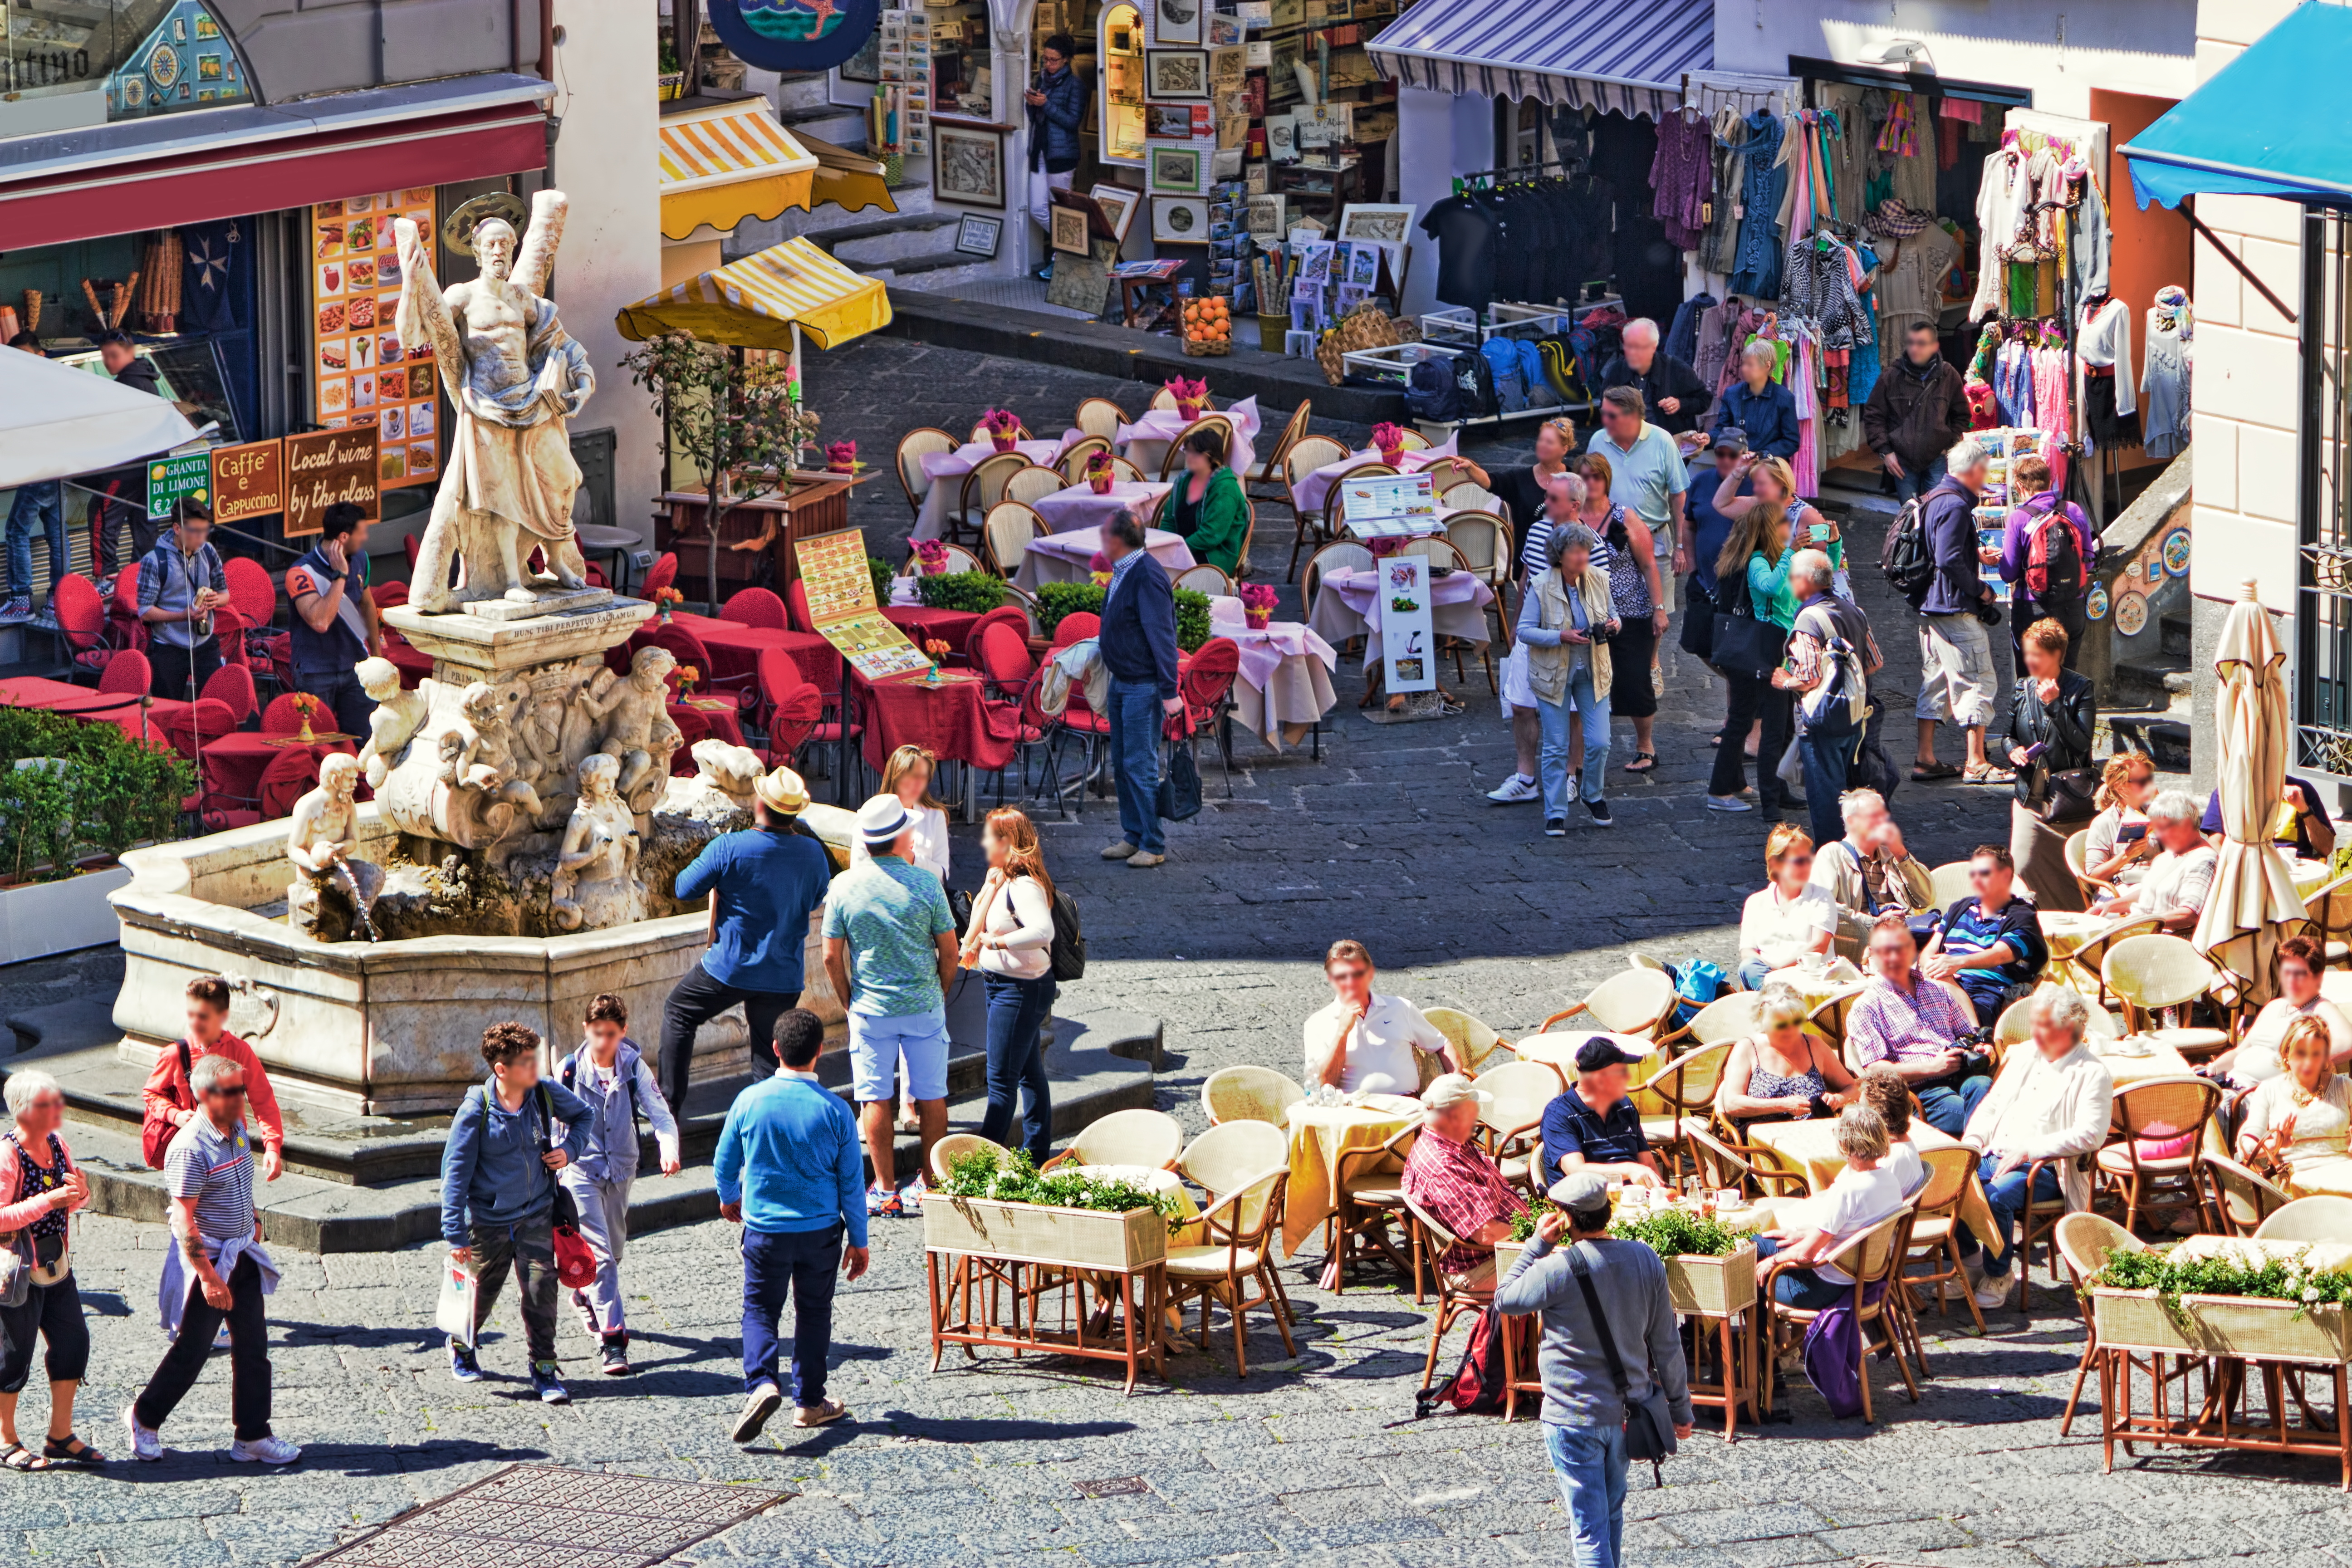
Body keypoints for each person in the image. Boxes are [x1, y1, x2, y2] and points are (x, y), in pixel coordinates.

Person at [1495, 1171, 1693, 1568]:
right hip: (1627, 1415)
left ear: (1565, 1219)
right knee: (1611, 1516)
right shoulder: (1645, 1259)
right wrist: (1681, 1409)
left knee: (1589, 1532)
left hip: (1572, 1417)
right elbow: (1667, 1344)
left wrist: (1537, 1245)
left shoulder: (1556, 1269)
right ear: (1608, 1210)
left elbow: (1505, 1298)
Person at [122, 1054, 299, 1466]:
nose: (242, 1098)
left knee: (254, 1346)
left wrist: (253, 1219)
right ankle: (143, 1418)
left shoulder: (235, 1129)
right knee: (193, 1350)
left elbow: (240, 1184)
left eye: (242, 1089)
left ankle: (253, 1436)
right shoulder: (189, 1148)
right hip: (211, 1261)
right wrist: (208, 1277)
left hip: (242, 1254)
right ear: (204, 1094)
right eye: (232, 1091)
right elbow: (184, 1219)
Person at [716, 1008, 867, 1441]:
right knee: (814, 1312)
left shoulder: (749, 1101)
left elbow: (724, 1163)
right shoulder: (837, 1111)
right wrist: (859, 1240)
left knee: (761, 1309)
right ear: (821, 1051)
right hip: (821, 1233)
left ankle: (762, 1383)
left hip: (765, 1231)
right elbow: (852, 1183)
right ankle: (810, 1402)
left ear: (776, 1049)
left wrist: (730, 1197)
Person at [661, 766, 832, 1112]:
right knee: (770, 1058)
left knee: (678, 1012)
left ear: (760, 805)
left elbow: (683, 888)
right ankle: (768, 1125)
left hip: (729, 968)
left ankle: (668, 1107)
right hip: (783, 973)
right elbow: (815, 899)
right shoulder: (814, 853)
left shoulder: (729, 847)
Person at [438, 1022, 591, 1403]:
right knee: (480, 1293)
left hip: (537, 1212)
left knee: (541, 1289)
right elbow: (454, 1176)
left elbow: (584, 1117)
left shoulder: (543, 1091)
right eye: (527, 1062)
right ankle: (461, 1344)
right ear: (501, 1070)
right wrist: (455, 1235)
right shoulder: (476, 1110)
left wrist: (569, 1151)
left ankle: (544, 1367)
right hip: (488, 1222)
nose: (536, 1067)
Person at [824, 795, 960, 1217]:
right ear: (901, 838)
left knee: (874, 1099)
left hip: (871, 1009)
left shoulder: (843, 886)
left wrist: (849, 1002)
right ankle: (931, 1183)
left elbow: (830, 957)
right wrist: (939, 991)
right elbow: (950, 951)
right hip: (923, 1004)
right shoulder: (926, 884)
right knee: (932, 1097)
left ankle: (885, 1189)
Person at [552, 993, 681, 1377]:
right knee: (602, 1257)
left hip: (621, 1170)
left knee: (614, 1251)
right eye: (596, 1033)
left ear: (623, 1032)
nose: (603, 1041)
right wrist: (557, 1168)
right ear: (585, 1030)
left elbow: (661, 1113)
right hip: (581, 1171)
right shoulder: (569, 1070)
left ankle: (583, 1293)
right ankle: (613, 1341)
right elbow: (553, 1124)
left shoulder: (634, 1067)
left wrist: (669, 1148)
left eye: (610, 1034)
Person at [1960, 988, 2114, 1308]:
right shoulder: (2026, 1054)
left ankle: (1999, 1274)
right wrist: (1972, 1143)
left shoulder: (2092, 1072)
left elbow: (2091, 1134)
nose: (2036, 1034)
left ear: (2072, 1029)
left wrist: (2030, 1150)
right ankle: (1971, 1263)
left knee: (1996, 1196)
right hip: (1996, 1151)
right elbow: (1992, 1105)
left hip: (2047, 1168)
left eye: (2045, 1027)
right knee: (1948, 1182)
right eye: (2034, 1025)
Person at [0, 1070, 97, 1470]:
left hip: (55, 1266)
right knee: (14, 1356)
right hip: (18, 1272)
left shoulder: (57, 1144)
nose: (58, 1108)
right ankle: (5, 1439)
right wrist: (47, 1201)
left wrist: (80, 1193)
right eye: (49, 1103)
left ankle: (60, 1435)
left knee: (74, 1343)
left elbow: (74, 1201)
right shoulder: (8, 1154)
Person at [962, 807, 1061, 1161]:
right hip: (1008, 987)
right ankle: (1036, 1154)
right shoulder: (1001, 879)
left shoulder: (1023, 885)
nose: (983, 842)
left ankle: (982, 1165)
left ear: (1006, 842)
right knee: (1030, 1072)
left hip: (1018, 991)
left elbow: (1043, 931)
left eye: (989, 836)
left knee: (1002, 1081)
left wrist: (997, 942)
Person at [1488, 472, 1590, 806]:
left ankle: (1570, 776)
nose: (1545, 503)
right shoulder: (1535, 531)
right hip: (1532, 633)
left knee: (1571, 711)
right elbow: (1526, 578)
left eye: (1553, 499)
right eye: (1547, 496)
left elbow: (1598, 592)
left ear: (1574, 505)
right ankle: (1526, 779)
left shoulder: (1591, 542)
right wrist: (1517, 622)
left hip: (1570, 638)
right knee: (1521, 705)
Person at [1909, 437, 2006, 785]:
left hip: (1931, 606)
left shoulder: (1934, 497)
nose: (1986, 477)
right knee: (1977, 679)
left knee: (1935, 680)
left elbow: (1940, 548)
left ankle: (1925, 759)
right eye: (1985, 470)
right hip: (1953, 607)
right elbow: (1948, 559)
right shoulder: (1956, 505)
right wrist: (1981, 589)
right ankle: (1976, 762)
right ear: (1974, 469)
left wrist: (1973, 554)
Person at [1845, 913, 1991, 1137]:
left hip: (1962, 1075)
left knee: (1985, 1087)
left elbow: (1967, 1035)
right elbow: (1875, 1071)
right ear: (1873, 954)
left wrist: (1979, 1047)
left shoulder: (1938, 990)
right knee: (1988, 1115)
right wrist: (1932, 1067)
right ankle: (1981, 1152)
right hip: (1918, 1093)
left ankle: (1977, 1150)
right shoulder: (1867, 1006)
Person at [1704, 470, 1796, 815]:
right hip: (1758, 649)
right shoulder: (1757, 565)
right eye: (1784, 523)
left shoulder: (1737, 560)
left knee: (1746, 719)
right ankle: (1720, 790)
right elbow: (1771, 592)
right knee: (1748, 721)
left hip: (1742, 650)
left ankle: (1743, 784)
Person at [1516, 522, 1618, 833]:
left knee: (1600, 742)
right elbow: (1524, 631)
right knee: (1556, 746)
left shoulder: (1600, 578)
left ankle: (1592, 795)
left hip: (1593, 671)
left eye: (1585, 550)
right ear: (1560, 555)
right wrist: (1560, 636)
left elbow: (1614, 615)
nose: (1583, 557)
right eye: (1576, 551)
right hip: (1553, 675)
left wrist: (1614, 625)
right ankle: (1556, 811)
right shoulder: (1541, 585)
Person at [1097, 512, 1185, 869]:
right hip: (1123, 683)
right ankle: (1133, 835)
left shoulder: (1146, 576)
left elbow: (1162, 636)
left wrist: (1170, 690)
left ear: (1117, 541)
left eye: (1105, 535)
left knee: (1140, 764)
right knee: (1122, 762)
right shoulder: (1125, 570)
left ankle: (1152, 842)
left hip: (1142, 687)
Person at [1754, 1105, 1908, 1308]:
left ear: (1845, 1144)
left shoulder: (1848, 1191)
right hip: (1862, 1277)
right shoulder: (1891, 1181)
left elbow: (1805, 1255)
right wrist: (1803, 1234)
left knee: (1749, 1262)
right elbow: (1848, 1229)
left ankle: (1760, 1329)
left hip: (1824, 1286)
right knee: (1759, 1244)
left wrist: (1774, 1261)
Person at [1776, 549, 1880, 847]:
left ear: (1806, 580)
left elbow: (1809, 678)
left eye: (1792, 577)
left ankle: (1833, 858)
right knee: (1851, 792)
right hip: (1855, 716)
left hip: (1821, 720)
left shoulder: (1809, 619)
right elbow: (1875, 662)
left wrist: (1785, 681)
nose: (1790, 583)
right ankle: (1858, 851)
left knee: (1826, 797)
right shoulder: (1854, 611)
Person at [143, 974, 287, 1184]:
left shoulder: (240, 1051)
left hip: (232, 1150)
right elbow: (151, 1094)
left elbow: (264, 1101)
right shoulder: (175, 1054)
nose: (195, 1023)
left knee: (235, 1201)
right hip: (192, 1151)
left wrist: (272, 1147)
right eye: (191, 1014)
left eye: (203, 1016)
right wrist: (175, 1115)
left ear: (223, 1016)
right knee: (190, 1202)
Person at [2000, 616, 2097, 909]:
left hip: (2069, 799)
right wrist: (2013, 751)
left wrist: (2055, 705)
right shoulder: (2022, 688)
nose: (2029, 660)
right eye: (2027, 653)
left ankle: (2077, 918)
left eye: (2037, 655)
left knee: (2073, 872)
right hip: (2030, 795)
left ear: (2056, 654)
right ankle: (2033, 920)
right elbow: (2007, 736)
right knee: (2022, 863)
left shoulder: (2081, 689)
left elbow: (2082, 744)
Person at [1577, 456, 1666, 774]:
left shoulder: (1624, 517)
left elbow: (1649, 565)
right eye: (1585, 477)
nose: (1591, 482)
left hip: (1630, 611)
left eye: (1597, 477)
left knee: (1633, 680)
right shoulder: (1571, 518)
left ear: (1606, 480)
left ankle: (1646, 746)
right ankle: (1581, 754)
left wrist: (1659, 610)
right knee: (1585, 683)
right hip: (1585, 613)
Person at [1399, 1075, 1526, 1289]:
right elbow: (1488, 1234)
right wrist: (1536, 1233)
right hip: (1483, 1263)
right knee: (1570, 1270)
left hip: (1501, 1246)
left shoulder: (1450, 1139)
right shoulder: (1443, 1166)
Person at [1300, 938, 1456, 1096]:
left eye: (1358, 974)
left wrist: (1457, 1082)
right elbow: (1323, 1084)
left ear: (1370, 974)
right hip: (1353, 1107)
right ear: (1331, 979)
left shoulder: (1400, 1008)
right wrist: (1342, 1032)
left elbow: (1442, 1044)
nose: (1351, 982)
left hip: (1406, 1104)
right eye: (1342, 977)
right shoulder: (1317, 1023)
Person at [1586, 387, 1690, 623]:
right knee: (1607, 613)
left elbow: (1679, 495)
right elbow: (1586, 489)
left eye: (1611, 415)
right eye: (1604, 413)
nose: (1605, 421)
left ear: (1633, 415)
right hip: (1609, 543)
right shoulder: (1598, 441)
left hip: (1655, 540)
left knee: (1658, 614)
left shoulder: (1662, 441)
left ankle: (1652, 650)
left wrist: (1681, 546)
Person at [284, 500, 382, 739]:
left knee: (365, 739)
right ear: (344, 537)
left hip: (356, 667)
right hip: (316, 673)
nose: (366, 538)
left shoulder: (361, 558)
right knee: (320, 743)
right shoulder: (300, 573)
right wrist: (340, 576)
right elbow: (320, 622)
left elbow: (367, 604)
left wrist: (377, 657)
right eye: (362, 533)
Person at [1923, 845, 2048, 1026]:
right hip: (1941, 985)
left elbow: (2000, 955)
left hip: (1983, 993)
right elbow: (1930, 951)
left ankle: (1976, 1035)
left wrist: (1957, 963)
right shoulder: (1960, 908)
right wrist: (1931, 969)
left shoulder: (2020, 917)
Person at [2209, 936, 2351, 1085]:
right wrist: (2213, 1068)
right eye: (2287, 972)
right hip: (2230, 1083)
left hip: (2261, 1094)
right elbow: (2239, 1052)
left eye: (2299, 974)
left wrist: (2305, 1064)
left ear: (2318, 976)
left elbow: (2348, 1045)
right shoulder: (2273, 1006)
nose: (2291, 979)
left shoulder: (2321, 1009)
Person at [1995, 455, 2094, 670]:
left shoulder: (2019, 518)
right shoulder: (2073, 510)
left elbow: (2008, 574)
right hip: (2073, 606)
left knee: (2032, 680)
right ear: (2050, 481)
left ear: (2020, 486)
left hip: (2033, 607)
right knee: (2067, 676)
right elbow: (2088, 562)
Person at [1717, 982, 1857, 1132]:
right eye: (1781, 1025)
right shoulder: (1748, 1048)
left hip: (1814, 1131)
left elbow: (1855, 1088)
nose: (1790, 1030)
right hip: (1764, 1135)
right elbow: (1732, 1103)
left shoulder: (1814, 1045)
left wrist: (1839, 1099)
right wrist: (1782, 1105)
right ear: (1762, 1017)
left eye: (1796, 1022)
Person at [2236, 1018, 2352, 1197]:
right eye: (2301, 1053)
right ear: (2286, 1053)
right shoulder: (2269, 1090)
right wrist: (2275, 1145)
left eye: (2316, 1054)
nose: (2308, 1062)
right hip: (2295, 1185)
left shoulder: (2344, 1087)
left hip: (2343, 1176)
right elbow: (2246, 1146)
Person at [1809, 788, 1936, 947]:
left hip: (1904, 937)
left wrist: (1901, 854)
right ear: (1852, 822)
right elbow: (1824, 908)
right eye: (1874, 817)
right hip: (1860, 943)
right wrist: (1876, 922)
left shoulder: (1890, 854)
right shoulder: (1832, 854)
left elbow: (1925, 899)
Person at [1862, 318, 1970, 505]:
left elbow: (1962, 415)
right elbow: (1873, 416)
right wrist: (1886, 452)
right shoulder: (1891, 376)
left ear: (1934, 346)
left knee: (1937, 510)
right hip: (1903, 462)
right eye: (1911, 343)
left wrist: (1950, 444)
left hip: (1938, 458)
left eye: (1921, 344)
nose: (1914, 349)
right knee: (1910, 515)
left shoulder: (1948, 375)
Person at [1536, 1037, 1667, 1191]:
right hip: (1587, 1201)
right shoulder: (1558, 1114)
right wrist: (1629, 1170)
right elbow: (1576, 1171)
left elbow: (1647, 1164)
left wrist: (1663, 1193)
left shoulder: (1625, 1106)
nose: (1627, 1077)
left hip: (1636, 1198)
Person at [1713, 451, 1847, 598]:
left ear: (1781, 483)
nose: (1755, 489)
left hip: (1806, 599)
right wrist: (1738, 472)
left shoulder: (1805, 515)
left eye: (1762, 484)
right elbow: (1721, 504)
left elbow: (1830, 565)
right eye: (1755, 483)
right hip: (1775, 597)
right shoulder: (1759, 505)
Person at [93, 331, 170, 583]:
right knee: (146, 525)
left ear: (130, 352)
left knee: (102, 516)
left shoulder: (127, 385)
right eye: (104, 356)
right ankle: (143, 580)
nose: (108, 362)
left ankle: (107, 578)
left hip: (127, 468)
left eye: (113, 355)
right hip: (153, 468)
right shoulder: (147, 379)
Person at [135, 500, 229, 705]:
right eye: (196, 531)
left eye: (206, 530)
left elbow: (225, 595)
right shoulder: (155, 560)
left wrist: (215, 601)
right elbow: (145, 611)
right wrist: (182, 616)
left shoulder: (208, 551)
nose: (202, 537)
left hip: (205, 640)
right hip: (169, 645)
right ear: (177, 529)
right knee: (167, 708)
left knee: (215, 705)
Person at [1, 333, 65, 627]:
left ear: (40, 355)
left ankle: (21, 600)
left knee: (16, 531)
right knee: (57, 534)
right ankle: (58, 600)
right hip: (58, 467)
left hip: (40, 469)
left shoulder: (35, 385)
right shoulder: (56, 381)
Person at [2098, 789, 2215, 933]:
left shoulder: (2204, 860)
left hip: (2160, 939)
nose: (2158, 835)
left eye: (2161, 828)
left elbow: (2188, 915)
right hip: (2139, 929)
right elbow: (2150, 892)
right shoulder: (2167, 855)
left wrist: (2132, 923)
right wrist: (2108, 907)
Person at [1679, 433, 1749, 670]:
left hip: (1741, 585)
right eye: (1721, 454)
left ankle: (1736, 688)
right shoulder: (1701, 481)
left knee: (1737, 653)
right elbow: (1689, 526)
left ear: (1744, 457)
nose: (1726, 460)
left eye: (1733, 455)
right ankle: (1732, 683)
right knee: (1700, 645)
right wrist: (1692, 570)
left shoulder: (1755, 485)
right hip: (1704, 581)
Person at [1736, 824, 1836, 989]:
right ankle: (1779, 997)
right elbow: (1748, 952)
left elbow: (1820, 945)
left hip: (1808, 977)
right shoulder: (1756, 902)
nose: (1807, 866)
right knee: (1748, 967)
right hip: (1766, 976)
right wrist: (1770, 972)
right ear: (1777, 864)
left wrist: (1779, 968)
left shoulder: (1821, 896)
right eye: (1799, 862)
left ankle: (1778, 998)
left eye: (1809, 860)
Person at [1468, 415, 1577, 561]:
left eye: (1549, 442)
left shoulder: (1575, 481)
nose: (1543, 445)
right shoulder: (1519, 479)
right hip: (1527, 563)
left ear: (1564, 450)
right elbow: (1490, 481)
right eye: (1541, 440)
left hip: (1566, 562)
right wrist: (1469, 468)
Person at [1023, 34, 1085, 278]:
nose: (1048, 64)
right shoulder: (1040, 79)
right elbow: (1034, 117)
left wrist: (1045, 104)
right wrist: (1031, 103)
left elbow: (1072, 122)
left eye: (1054, 60)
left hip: (1062, 155)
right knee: (1037, 208)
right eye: (1045, 59)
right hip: (1040, 151)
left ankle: (1061, 259)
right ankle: (1077, 244)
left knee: (1061, 210)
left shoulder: (1075, 85)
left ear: (1066, 60)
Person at [1600, 318, 1711, 439]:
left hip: (1668, 443)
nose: (1632, 353)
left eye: (1638, 347)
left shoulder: (1676, 369)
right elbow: (1604, 405)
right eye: (1628, 346)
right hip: (1628, 442)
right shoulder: (1617, 370)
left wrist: (1680, 404)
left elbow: (1705, 400)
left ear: (1653, 347)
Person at [851, 746, 950, 880]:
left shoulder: (935, 816)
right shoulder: (870, 815)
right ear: (896, 777)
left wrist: (912, 858)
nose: (919, 783)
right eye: (913, 776)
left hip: (924, 891)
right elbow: (857, 870)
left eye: (924, 777)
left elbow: (943, 875)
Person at [1161, 426, 1249, 575]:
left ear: (1210, 457)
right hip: (1185, 548)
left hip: (1215, 555)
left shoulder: (1225, 489)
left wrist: (1178, 552)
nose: (1189, 457)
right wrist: (1164, 547)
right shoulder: (1184, 480)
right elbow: (1170, 519)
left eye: (1195, 453)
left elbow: (1211, 535)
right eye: (1187, 451)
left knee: (1162, 573)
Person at [2199, 776, 2336, 861]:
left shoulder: (2302, 790)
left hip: (2296, 869)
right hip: (2248, 866)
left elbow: (2326, 848)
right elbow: (2215, 844)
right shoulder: (2229, 791)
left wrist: (2304, 810)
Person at [1709, 340, 1801, 459]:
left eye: (1750, 365)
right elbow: (1722, 430)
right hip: (1736, 462)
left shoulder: (1784, 398)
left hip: (1768, 465)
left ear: (1767, 366)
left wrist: (1762, 454)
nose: (1744, 369)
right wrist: (1708, 439)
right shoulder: (1732, 394)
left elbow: (1791, 441)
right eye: (1743, 364)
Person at [2083, 753, 2160, 892]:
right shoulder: (2104, 823)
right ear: (2120, 787)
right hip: (2122, 888)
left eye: (2150, 779)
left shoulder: (2154, 813)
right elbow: (2093, 879)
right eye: (2142, 782)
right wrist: (2127, 855)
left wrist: (2162, 806)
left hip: (2157, 880)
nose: (2150, 786)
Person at [1856, 1063, 1927, 1196]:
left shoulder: (1887, 1163)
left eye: (1861, 1108)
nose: (1858, 1115)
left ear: (1877, 1117)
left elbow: (1861, 1203)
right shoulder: (1903, 1147)